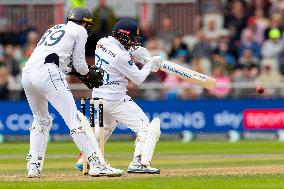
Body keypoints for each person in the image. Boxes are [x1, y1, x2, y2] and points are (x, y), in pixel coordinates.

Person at [21, 7, 123, 178]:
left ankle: (34, 166)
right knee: (75, 120)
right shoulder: (80, 31)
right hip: (48, 73)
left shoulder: (54, 28)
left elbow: (60, 61)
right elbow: (80, 64)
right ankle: (97, 164)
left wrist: (79, 72)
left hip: (28, 73)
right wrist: (88, 73)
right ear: (85, 22)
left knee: (41, 120)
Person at [75, 18, 162, 174]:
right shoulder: (121, 56)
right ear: (124, 36)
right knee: (145, 128)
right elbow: (138, 78)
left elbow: (120, 52)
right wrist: (149, 63)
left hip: (98, 97)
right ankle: (139, 163)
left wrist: (134, 52)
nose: (133, 42)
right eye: (132, 39)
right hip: (115, 99)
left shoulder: (102, 42)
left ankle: (86, 159)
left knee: (105, 128)